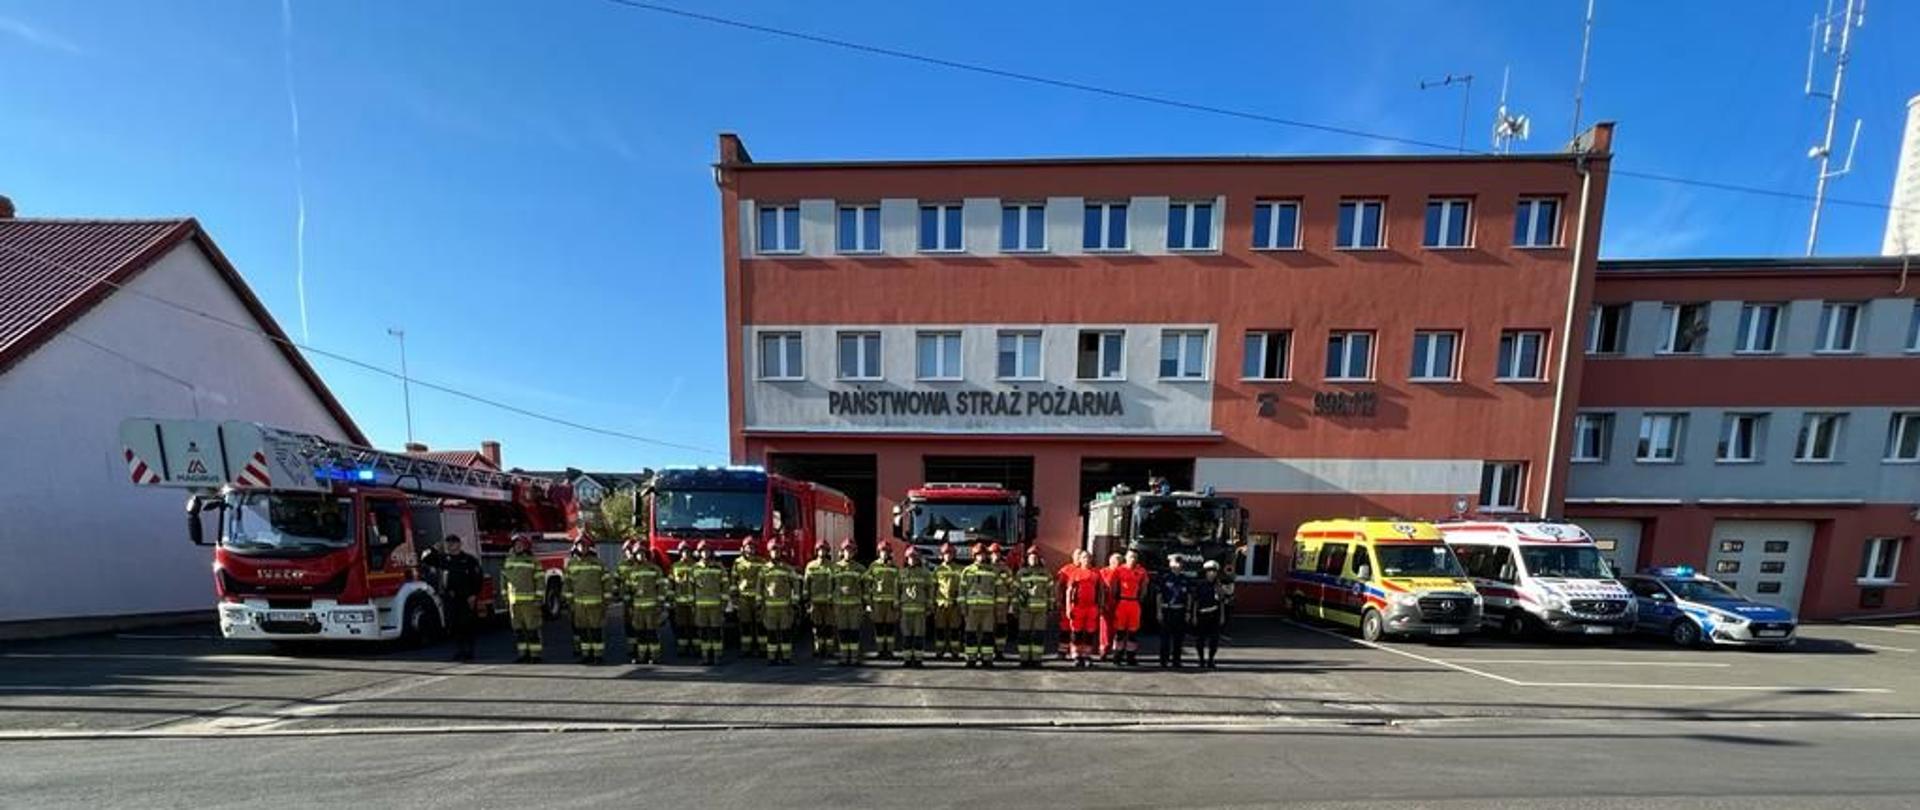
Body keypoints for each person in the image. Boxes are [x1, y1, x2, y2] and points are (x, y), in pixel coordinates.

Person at [420, 534, 484, 661]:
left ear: (459, 544)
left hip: (466, 598)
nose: (450, 545)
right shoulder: (443, 559)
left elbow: (477, 578)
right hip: (450, 598)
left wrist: (473, 594)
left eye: (453, 543)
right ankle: (459, 651)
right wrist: (433, 549)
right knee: (454, 625)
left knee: (467, 625)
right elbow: (425, 559)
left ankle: (469, 651)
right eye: (448, 543)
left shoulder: (469, 560)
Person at [615, 540, 667, 665]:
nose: (640, 555)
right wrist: (628, 605)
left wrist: (660, 604)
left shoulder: (655, 569)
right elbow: (628, 590)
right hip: (637, 608)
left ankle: (654, 656)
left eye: (643, 553)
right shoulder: (631, 572)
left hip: (651, 608)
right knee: (640, 633)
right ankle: (641, 657)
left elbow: (661, 588)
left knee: (652, 633)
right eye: (638, 553)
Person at [562, 537, 610, 664]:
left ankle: (598, 656)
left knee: (596, 630)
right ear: (575, 547)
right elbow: (567, 583)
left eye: (585, 546)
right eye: (580, 546)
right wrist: (569, 600)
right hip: (578, 605)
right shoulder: (571, 563)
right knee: (582, 631)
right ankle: (586, 655)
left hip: (596, 603)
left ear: (589, 547)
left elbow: (607, 582)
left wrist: (606, 600)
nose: (582, 548)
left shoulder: (598, 563)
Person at [499, 535, 544, 663]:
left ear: (526, 546)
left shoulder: (532, 561)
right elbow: (503, 579)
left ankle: (535, 655)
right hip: (514, 602)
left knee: (532, 629)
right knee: (518, 630)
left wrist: (539, 597)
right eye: (516, 544)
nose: (518, 546)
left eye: (520, 544)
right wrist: (504, 595)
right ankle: (523, 654)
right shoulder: (508, 560)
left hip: (530, 601)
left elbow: (540, 580)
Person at [689, 541, 731, 665]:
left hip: (716, 607)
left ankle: (717, 656)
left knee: (716, 631)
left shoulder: (719, 568)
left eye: (707, 551)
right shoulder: (694, 568)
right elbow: (691, 588)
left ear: (711, 553)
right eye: (702, 551)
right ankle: (705, 656)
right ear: (699, 553)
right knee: (703, 632)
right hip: (700, 607)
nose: (705, 553)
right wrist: (693, 605)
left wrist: (723, 604)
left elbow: (725, 587)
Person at [761, 539, 802, 664]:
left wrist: (795, 601)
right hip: (769, 608)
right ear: (769, 552)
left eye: (777, 550)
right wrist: (759, 603)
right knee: (771, 634)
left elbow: (796, 585)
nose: (775, 553)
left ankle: (786, 657)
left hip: (785, 608)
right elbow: (759, 587)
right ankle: (772, 658)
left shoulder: (788, 569)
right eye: (773, 550)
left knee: (785, 633)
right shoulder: (764, 570)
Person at [1061, 549, 1104, 668]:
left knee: (1090, 633)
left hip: (1091, 608)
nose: (1087, 560)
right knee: (1077, 632)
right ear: (1080, 559)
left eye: (1088, 557)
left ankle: (1087, 655)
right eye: (1084, 557)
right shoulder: (1075, 573)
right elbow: (1069, 591)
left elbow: (1100, 591)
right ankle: (1076, 655)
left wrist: (1100, 605)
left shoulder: (1096, 573)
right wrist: (1069, 608)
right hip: (1078, 607)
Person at [960, 543, 1001, 668]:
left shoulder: (993, 571)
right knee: (970, 634)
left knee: (987, 634)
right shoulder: (967, 571)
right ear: (974, 556)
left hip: (988, 609)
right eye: (978, 555)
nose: (981, 557)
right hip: (972, 609)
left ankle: (987, 658)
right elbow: (962, 591)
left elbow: (999, 590)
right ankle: (971, 659)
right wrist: (963, 607)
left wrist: (998, 608)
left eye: (983, 554)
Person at [1108, 550, 1150, 667]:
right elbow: (1114, 586)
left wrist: (1140, 599)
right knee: (1120, 631)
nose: (1133, 559)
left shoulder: (1141, 571)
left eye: (1135, 557)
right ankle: (1117, 656)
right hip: (1122, 602)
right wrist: (1115, 600)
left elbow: (1144, 587)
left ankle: (1131, 656)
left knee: (1133, 632)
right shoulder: (1119, 570)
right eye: (1131, 557)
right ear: (1126, 558)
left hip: (1134, 603)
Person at [1014, 548, 1054, 667]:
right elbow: (1015, 591)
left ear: (1039, 559)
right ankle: (1024, 659)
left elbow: (1050, 592)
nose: (1033, 559)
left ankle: (1037, 659)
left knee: (1038, 635)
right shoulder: (1021, 573)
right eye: (1031, 557)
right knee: (1024, 634)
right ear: (1027, 559)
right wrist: (1015, 607)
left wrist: (1050, 607)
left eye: (1035, 557)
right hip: (1025, 609)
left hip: (1041, 610)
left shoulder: (1046, 573)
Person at [830, 541, 867, 666]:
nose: (848, 553)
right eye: (846, 551)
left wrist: (866, 603)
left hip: (855, 606)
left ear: (854, 553)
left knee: (854, 632)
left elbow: (865, 587)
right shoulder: (835, 568)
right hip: (840, 605)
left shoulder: (860, 569)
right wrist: (831, 601)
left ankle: (855, 657)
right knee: (842, 632)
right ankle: (844, 657)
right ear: (841, 552)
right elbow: (830, 586)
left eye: (851, 551)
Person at [896, 545, 933, 667]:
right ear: (906, 559)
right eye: (910, 557)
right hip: (905, 610)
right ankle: (907, 659)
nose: (912, 560)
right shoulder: (902, 573)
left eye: (914, 557)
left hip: (920, 610)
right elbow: (897, 589)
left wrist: (929, 605)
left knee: (919, 635)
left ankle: (918, 660)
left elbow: (930, 590)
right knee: (906, 636)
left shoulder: (925, 573)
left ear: (918, 559)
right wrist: (896, 604)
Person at [733, 539, 768, 656]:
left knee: (760, 624)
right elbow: (734, 579)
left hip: (758, 598)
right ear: (743, 548)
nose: (750, 549)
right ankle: (746, 649)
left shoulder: (762, 562)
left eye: (752, 546)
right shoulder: (737, 563)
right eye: (748, 546)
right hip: (743, 598)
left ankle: (762, 649)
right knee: (745, 624)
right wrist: (734, 597)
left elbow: (765, 581)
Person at [865, 546, 901, 659]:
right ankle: (880, 651)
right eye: (882, 552)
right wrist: (868, 602)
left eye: (886, 552)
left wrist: (897, 601)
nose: (884, 554)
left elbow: (898, 586)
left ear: (890, 553)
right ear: (878, 553)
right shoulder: (873, 566)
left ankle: (889, 651)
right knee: (879, 627)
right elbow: (868, 584)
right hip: (877, 602)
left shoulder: (895, 568)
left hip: (891, 603)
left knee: (890, 628)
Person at [804, 543, 838, 660]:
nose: (822, 552)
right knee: (817, 628)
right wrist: (806, 600)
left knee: (829, 627)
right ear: (816, 551)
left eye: (824, 550)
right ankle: (818, 649)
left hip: (829, 603)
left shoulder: (832, 567)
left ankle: (829, 650)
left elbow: (836, 584)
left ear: (827, 551)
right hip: (815, 602)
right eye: (819, 549)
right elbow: (806, 584)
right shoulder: (810, 566)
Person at [931, 543, 965, 660]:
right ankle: (939, 652)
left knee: (955, 630)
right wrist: (932, 603)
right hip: (940, 604)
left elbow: (963, 587)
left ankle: (955, 652)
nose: (948, 556)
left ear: (954, 555)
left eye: (950, 554)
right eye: (945, 554)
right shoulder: (937, 570)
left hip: (954, 604)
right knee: (940, 629)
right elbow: (933, 587)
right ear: (941, 555)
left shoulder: (960, 570)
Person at [1156, 557, 1191, 668]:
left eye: (1179, 564)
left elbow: (1189, 596)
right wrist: (1159, 611)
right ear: (1170, 565)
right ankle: (1163, 660)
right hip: (1167, 610)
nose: (1177, 566)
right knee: (1165, 638)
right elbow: (1159, 596)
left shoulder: (1185, 579)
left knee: (1178, 639)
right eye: (1175, 564)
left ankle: (1176, 660)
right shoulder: (1165, 578)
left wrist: (1188, 612)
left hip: (1180, 611)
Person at [1192, 560, 1226, 669]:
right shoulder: (1200, 585)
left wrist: (1222, 616)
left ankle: (1211, 660)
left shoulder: (1218, 585)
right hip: (1202, 615)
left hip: (1214, 615)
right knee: (1200, 640)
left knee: (1214, 640)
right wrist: (1193, 615)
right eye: (1210, 571)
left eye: (1214, 571)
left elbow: (1221, 602)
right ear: (1205, 572)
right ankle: (1201, 660)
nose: (1212, 573)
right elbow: (1195, 601)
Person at [669, 542, 696, 657]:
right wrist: (670, 600)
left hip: (694, 602)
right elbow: (671, 584)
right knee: (681, 626)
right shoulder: (675, 566)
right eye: (683, 551)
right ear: (680, 553)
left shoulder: (696, 566)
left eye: (687, 551)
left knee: (694, 626)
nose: (686, 554)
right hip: (679, 602)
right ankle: (682, 648)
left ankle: (696, 648)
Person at [989, 543, 1014, 660]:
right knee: (988, 628)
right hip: (988, 605)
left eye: (997, 553)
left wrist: (1010, 603)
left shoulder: (1006, 569)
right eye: (993, 553)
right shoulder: (985, 569)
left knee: (1001, 627)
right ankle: (988, 651)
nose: (995, 555)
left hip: (1002, 606)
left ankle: (999, 651)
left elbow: (1011, 587)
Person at [1098, 552, 1123, 660]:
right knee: (1105, 628)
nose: (1117, 564)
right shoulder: (1103, 572)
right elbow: (1100, 589)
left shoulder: (1123, 573)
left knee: (1118, 628)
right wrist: (1102, 603)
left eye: (1119, 561)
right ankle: (1104, 649)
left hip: (1120, 603)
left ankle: (1117, 650)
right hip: (1107, 602)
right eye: (1114, 561)